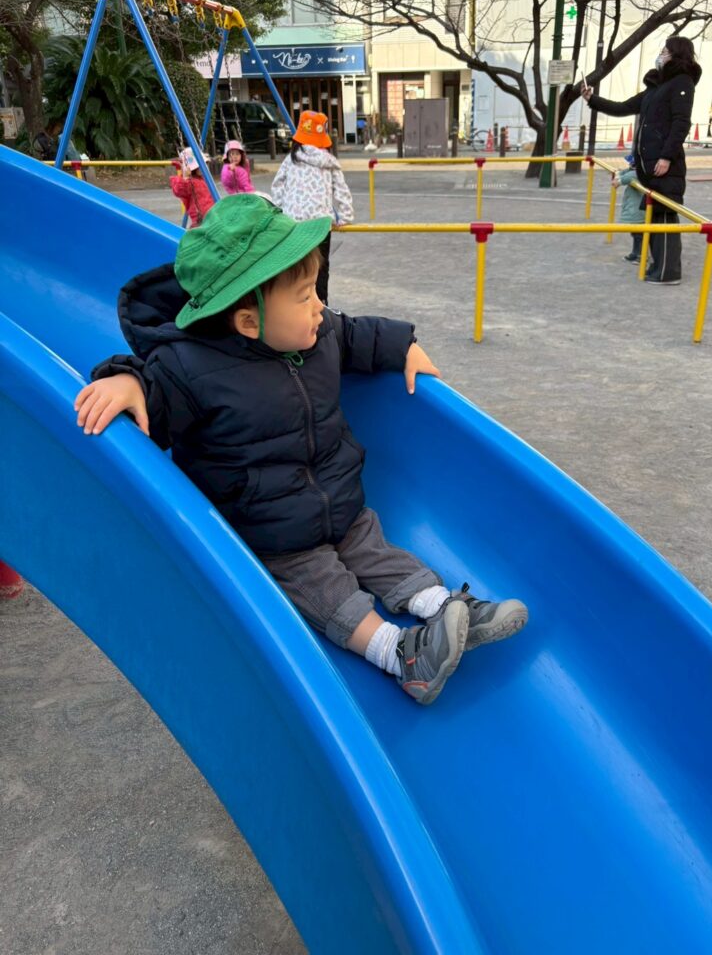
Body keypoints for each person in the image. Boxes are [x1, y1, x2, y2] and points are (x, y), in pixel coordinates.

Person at [73, 194, 528, 706]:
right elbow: (153, 392)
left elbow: (355, 333)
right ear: (249, 322)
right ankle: (400, 655)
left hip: (340, 502)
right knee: (327, 589)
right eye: (305, 295)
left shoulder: (318, 332)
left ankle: (446, 608)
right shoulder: (189, 368)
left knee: (375, 550)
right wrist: (126, 382)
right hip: (272, 533)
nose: (319, 306)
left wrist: (401, 345)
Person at [582, 36, 701, 285]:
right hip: (649, 165)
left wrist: (666, 156)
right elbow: (623, 107)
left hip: (665, 166)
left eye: (665, 51)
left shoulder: (682, 82)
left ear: (676, 54)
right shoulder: (656, 87)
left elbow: (681, 123)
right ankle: (658, 266)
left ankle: (668, 272)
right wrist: (592, 99)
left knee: (665, 216)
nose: (661, 55)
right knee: (655, 216)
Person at [271, 111, 354, 305]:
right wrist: (345, 216)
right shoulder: (329, 161)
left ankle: (296, 301)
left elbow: (277, 186)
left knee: (296, 264)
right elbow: (341, 190)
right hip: (320, 223)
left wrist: (278, 211)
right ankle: (321, 302)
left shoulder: (291, 159)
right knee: (321, 265)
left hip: (293, 223)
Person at [170, 147, 216, 228]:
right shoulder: (189, 182)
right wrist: (185, 177)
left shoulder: (206, 179)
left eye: (205, 164)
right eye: (199, 166)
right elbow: (179, 191)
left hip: (212, 214)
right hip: (199, 219)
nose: (203, 167)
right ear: (191, 169)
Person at [613, 154, 644, 264]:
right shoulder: (636, 172)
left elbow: (619, 180)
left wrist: (618, 176)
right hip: (637, 209)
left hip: (638, 210)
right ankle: (635, 253)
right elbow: (623, 173)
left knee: (638, 235)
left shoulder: (634, 174)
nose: (629, 165)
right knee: (636, 234)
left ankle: (640, 255)